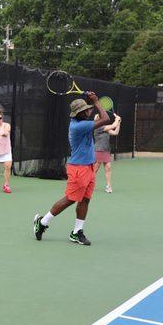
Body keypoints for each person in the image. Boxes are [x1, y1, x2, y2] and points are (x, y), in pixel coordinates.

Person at [33, 93, 109, 246]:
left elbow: (93, 115)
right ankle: (42, 222)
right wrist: (95, 101)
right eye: (87, 110)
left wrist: (90, 103)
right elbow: (106, 119)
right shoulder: (78, 126)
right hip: (78, 169)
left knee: (85, 200)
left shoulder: (81, 120)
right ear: (80, 113)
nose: (89, 111)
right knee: (70, 199)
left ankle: (76, 232)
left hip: (89, 167)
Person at [94, 113, 122, 193]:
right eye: (98, 118)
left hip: (106, 151)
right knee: (95, 170)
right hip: (98, 150)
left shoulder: (105, 129)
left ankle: (108, 186)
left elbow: (115, 132)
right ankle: (88, 185)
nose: (100, 119)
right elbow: (113, 126)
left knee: (108, 168)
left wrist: (119, 122)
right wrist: (117, 119)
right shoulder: (98, 127)